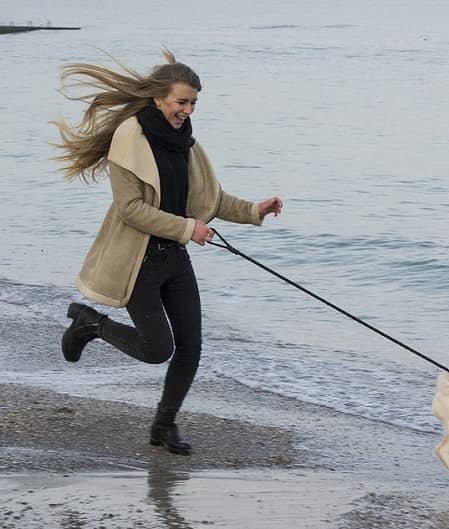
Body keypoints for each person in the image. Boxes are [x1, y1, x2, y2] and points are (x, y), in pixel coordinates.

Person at [53, 49, 283, 455]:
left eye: (193, 102)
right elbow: (131, 210)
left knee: (191, 348)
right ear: (159, 98)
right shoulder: (129, 139)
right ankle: (90, 325)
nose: (187, 109)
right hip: (138, 262)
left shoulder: (184, 143)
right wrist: (186, 228)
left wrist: (253, 210)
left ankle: (163, 426)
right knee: (158, 349)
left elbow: (208, 199)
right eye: (182, 101)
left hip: (174, 260)